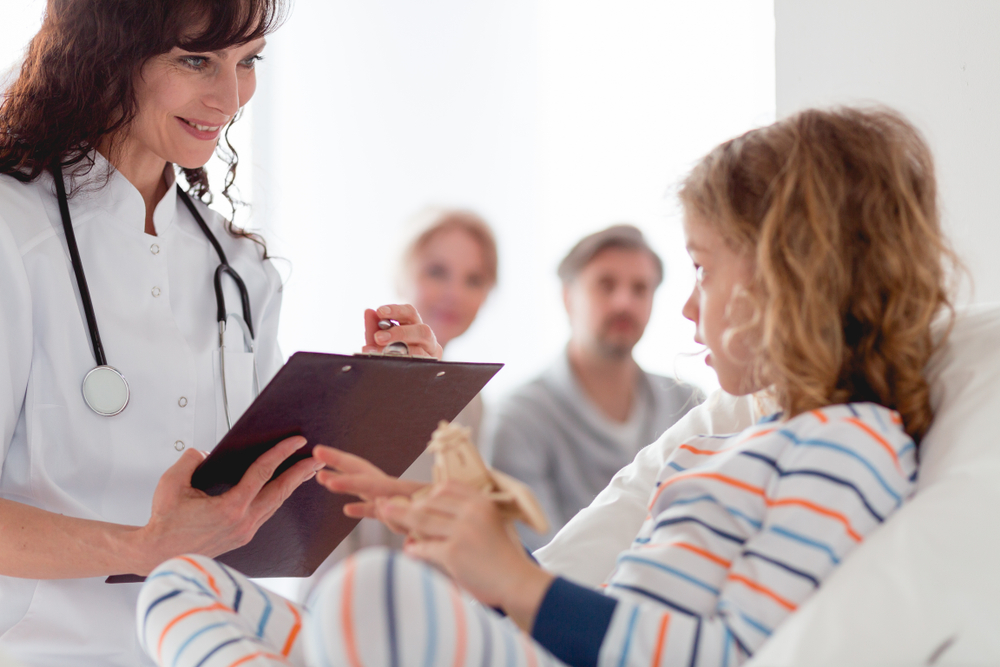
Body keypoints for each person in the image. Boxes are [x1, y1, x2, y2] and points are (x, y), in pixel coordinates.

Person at [137, 106, 957, 666]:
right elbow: (603, 614)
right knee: (182, 581)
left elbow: (727, 653)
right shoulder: (723, 443)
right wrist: (466, 542)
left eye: (703, 269)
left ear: (793, 277)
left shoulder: (848, 446)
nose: (684, 307)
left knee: (372, 594)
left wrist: (514, 579)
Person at [0, 1, 441, 664]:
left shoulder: (238, 267)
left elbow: (266, 501)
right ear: (104, 55)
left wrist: (380, 397)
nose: (231, 98)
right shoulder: (13, 234)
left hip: (213, 645)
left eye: (248, 61)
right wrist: (140, 547)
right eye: (196, 60)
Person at [488, 224, 702, 549]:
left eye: (640, 289)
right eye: (606, 285)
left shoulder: (689, 404)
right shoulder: (518, 419)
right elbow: (538, 557)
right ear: (567, 297)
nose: (624, 302)